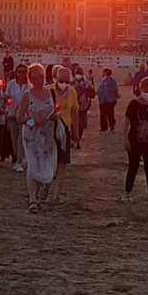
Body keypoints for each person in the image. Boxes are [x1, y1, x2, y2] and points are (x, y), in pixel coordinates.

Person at [18, 63, 59, 213]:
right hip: (31, 136)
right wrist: (33, 122)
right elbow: (19, 117)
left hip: (47, 136)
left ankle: (41, 189)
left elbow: (55, 111)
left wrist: (54, 117)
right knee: (33, 166)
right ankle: (32, 199)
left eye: (41, 77)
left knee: (48, 166)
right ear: (30, 79)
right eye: (35, 78)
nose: (39, 80)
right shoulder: (27, 96)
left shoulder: (50, 93)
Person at [122, 77, 148, 206]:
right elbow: (126, 122)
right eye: (146, 89)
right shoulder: (133, 104)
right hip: (135, 140)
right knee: (133, 167)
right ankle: (127, 192)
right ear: (140, 89)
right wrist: (125, 139)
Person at [49, 67, 80, 204]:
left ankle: (57, 194)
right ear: (56, 77)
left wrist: (75, 132)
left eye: (67, 80)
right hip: (49, 129)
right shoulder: (48, 90)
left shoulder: (72, 92)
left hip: (64, 130)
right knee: (49, 161)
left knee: (62, 163)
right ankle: (45, 185)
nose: (64, 83)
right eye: (61, 80)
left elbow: (74, 112)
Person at [71, 66, 94, 146]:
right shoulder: (71, 82)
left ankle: (78, 140)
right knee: (73, 124)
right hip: (73, 106)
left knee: (81, 126)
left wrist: (86, 92)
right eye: (77, 73)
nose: (78, 75)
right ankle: (73, 139)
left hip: (83, 107)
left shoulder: (87, 83)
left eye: (79, 73)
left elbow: (92, 94)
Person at [97, 67, 119, 132]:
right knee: (105, 114)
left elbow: (114, 89)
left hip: (109, 100)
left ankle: (109, 125)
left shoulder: (110, 81)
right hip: (104, 99)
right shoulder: (105, 81)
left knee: (109, 114)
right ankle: (105, 127)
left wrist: (110, 91)